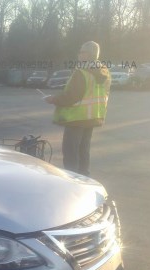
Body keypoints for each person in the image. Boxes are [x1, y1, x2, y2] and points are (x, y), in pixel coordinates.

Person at [45, 41, 111, 176]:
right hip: (93, 116)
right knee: (84, 150)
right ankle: (84, 178)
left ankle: (72, 181)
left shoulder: (82, 72)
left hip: (76, 117)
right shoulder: (104, 72)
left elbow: (71, 97)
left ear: (88, 54)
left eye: (81, 52)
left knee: (71, 151)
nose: (78, 55)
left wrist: (53, 99)